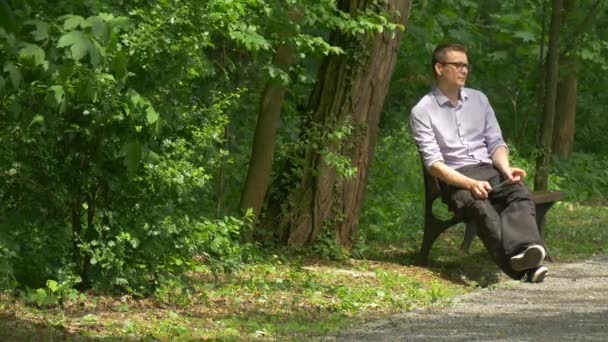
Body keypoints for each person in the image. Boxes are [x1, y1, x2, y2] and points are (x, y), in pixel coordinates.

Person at [409, 43, 548, 282]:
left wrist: (505, 169)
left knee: (518, 191)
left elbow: (496, 143)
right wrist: (469, 183)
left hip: (489, 169)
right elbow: (433, 163)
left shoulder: (479, 100)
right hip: (455, 178)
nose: (464, 70)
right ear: (439, 68)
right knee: (481, 207)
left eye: (466, 65)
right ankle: (523, 267)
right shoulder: (422, 110)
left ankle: (525, 251)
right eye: (458, 65)